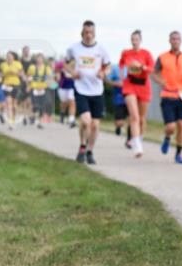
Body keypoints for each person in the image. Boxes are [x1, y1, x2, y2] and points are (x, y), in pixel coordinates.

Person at [66, 20, 112, 164]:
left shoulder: (101, 49)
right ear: (82, 33)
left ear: (94, 33)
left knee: (95, 125)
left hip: (97, 91)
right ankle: (82, 146)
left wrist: (104, 74)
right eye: (86, 32)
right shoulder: (74, 48)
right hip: (81, 89)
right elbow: (65, 63)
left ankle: (90, 151)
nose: (88, 35)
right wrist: (72, 72)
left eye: (91, 32)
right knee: (86, 121)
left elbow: (108, 66)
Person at [152, 31, 182, 165]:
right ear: (169, 41)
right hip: (168, 95)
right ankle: (167, 137)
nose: (176, 41)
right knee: (171, 127)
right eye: (173, 39)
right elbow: (154, 73)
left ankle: (178, 154)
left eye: (178, 39)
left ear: (181, 41)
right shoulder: (162, 57)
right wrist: (160, 81)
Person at [120, 30, 154, 158]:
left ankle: (139, 137)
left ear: (140, 40)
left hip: (144, 86)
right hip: (130, 85)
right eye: (132, 39)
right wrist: (122, 75)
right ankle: (137, 145)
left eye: (137, 39)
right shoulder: (126, 53)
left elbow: (152, 68)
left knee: (141, 118)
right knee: (134, 116)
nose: (134, 41)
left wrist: (141, 67)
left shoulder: (146, 53)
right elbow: (121, 66)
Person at [26, 53, 53, 127]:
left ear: (43, 60)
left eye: (41, 58)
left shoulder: (46, 68)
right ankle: (33, 116)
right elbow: (28, 77)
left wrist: (47, 84)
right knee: (35, 105)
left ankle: (40, 122)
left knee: (42, 105)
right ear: (36, 59)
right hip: (34, 88)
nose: (39, 60)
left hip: (43, 89)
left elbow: (50, 78)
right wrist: (28, 86)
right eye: (38, 58)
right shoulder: (32, 67)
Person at [0, 51, 24, 130]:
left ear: (13, 57)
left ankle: (12, 118)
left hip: (16, 85)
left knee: (14, 105)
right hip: (6, 85)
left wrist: (16, 72)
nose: (9, 57)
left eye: (10, 56)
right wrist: (5, 73)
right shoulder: (3, 65)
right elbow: (0, 75)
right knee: (9, 102)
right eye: (7, 56)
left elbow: (21, 74)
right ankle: (11, 123)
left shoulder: (18, 64)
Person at [107, 62, 129, 138]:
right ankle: (118, 126)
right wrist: (116, 83)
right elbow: (108, 80)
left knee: (132, 118)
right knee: (120, 122)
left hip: (130, 95)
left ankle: (130, 138)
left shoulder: (133, 67)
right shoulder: (115, 67)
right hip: (119, 96)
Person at [55, 59, 76, 127]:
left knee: (72, 102)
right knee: (64, 103)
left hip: (71, 87)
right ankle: (62, 114)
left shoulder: (76, 63)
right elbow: (57, 72)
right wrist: (58, 77)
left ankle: (71, 120)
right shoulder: (61, 63)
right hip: (62, 87)